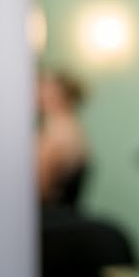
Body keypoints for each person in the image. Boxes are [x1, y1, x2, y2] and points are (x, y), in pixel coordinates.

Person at [37, 69, 90, 208]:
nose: (38, 91)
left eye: (45, 87)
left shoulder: (58, 132)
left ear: (59, 95)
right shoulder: (72, 126)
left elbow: (41, 188)